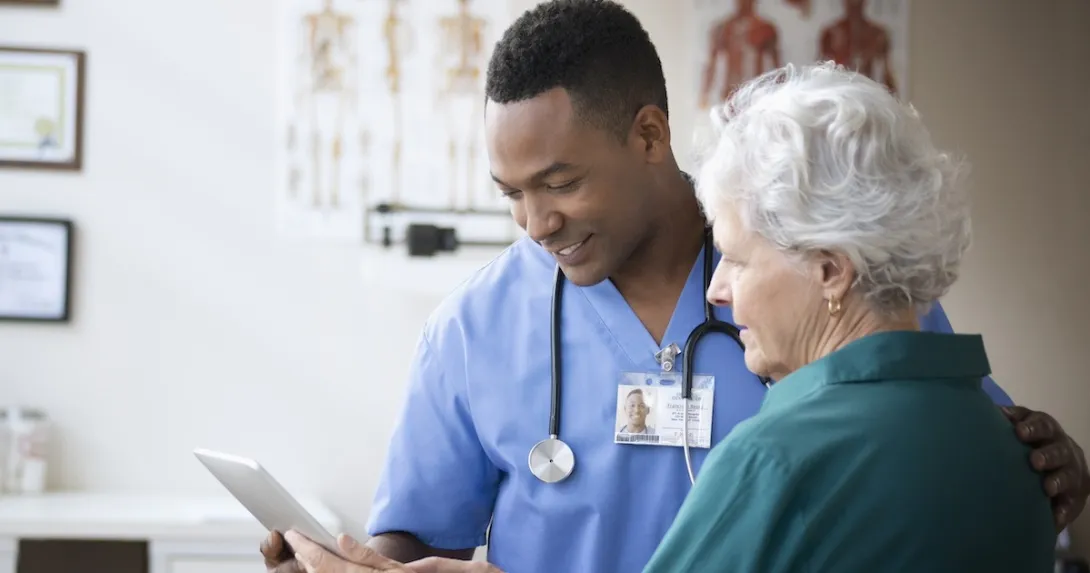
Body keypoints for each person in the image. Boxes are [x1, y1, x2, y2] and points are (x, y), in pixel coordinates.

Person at [262, 2, 1089, 573]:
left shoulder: (823, 278)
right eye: (510, 193)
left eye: (559, 181)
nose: (535, 222)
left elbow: (949, 446)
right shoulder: (474, 329)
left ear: (650, 133)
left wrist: (1052, 462)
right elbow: (412, 534)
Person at [642, 61, 1057, 572]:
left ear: (829, 270)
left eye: (739, 259)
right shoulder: (1015, 454)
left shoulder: (774, 461)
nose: (716, 289)